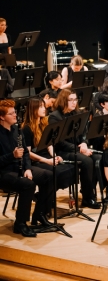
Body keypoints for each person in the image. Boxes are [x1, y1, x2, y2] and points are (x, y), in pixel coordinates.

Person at [0, 99, 54, 237]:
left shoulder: (17, 130)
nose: (15, 115)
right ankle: (21, 223)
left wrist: (28, 168)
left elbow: (25, 153)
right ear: (2, 117)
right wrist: (11, 156)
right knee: (28, 185)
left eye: (15, 112)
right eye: (11, 113)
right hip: (4, 172)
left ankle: (40, 214)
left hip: (20, 168)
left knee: (48, 176)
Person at [48, 89, 100, 209]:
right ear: (63, 101)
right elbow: (59, 142)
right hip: (63, 151)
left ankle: (88, 190)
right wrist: (78, 149)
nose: (74, 102)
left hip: (77, 148)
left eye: (75, 99)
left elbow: (84, 133)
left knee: (98, 158)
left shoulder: (76, 114)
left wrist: (84, 144)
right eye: (70, 100)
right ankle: (88, 198)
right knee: (87, 161)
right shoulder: (55, 117)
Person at [22, 97, 75, 191]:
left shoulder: (44, 124)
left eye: (44, 106)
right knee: (57, 172)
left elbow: (50, 144)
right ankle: (46, 196)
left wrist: (54, 156)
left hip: (46, 156)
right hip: (36, 161)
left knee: (70, 168)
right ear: (33, 109)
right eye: (40, 107)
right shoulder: (26, 128)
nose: (44, 109)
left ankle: (46, 195)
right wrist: (47, 161)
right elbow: (28, 153)